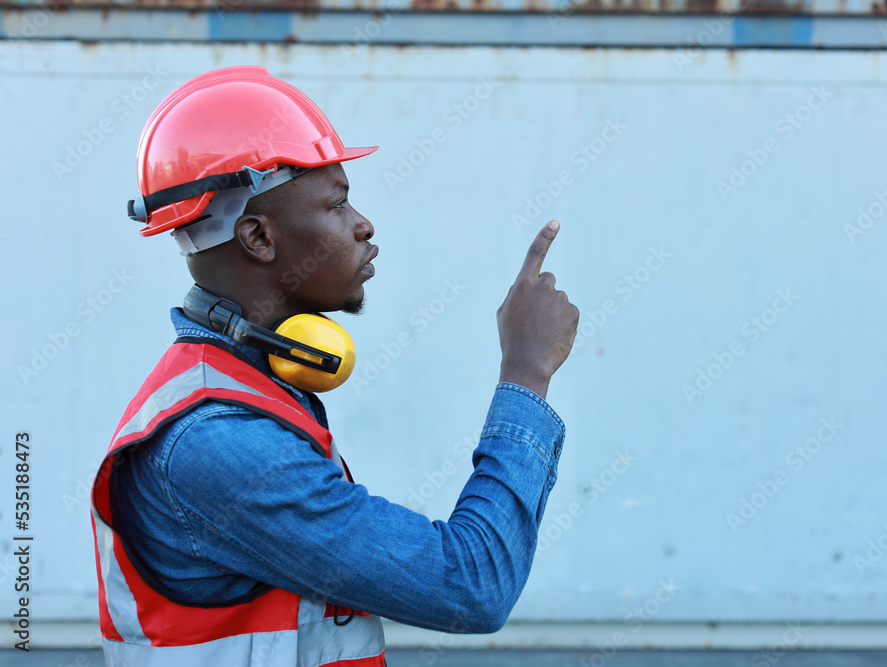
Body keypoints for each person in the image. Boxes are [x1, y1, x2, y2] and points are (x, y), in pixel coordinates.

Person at [90, 66, 579, 666]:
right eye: (337, 202)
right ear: (258, 238)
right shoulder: (215, 440)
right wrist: (526, 375)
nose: (363, 224)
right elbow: (470, 586)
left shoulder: (248, 389)